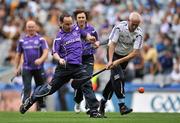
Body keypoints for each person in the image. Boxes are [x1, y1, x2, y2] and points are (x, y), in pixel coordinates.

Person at [19, 13, 103, 118]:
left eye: (71, 24)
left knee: (86, 83)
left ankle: (94, 110)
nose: (69, 26)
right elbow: (54, 53)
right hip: (64, 68)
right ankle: (31, 99)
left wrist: (91, 39)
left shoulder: (76, 29)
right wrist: (60, 59)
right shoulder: (59, 37)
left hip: (78, 67)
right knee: (49, 90)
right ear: (61, 23)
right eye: (67, 24)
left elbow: (86, 35)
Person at [99, 12, 143, 116]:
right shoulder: (119, 28)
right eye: (133, 24)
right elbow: (112, 44)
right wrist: (110, 61)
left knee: (113, 81)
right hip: (113, 53)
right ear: (129, 21)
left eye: (137, 24)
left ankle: (102, 103)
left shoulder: (139, 34)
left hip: (124, 58)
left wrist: (118, 61)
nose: (134, 27)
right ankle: (122, 106)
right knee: (120, 77)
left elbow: (135, 53)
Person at [14, 20, 49, 111]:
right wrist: (17, 68)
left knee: (40, 88)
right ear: (26, 28)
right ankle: (24, 106)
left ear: (36, 27)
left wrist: (41, 59)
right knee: (27, 87)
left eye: (32, 27)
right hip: (26, 68)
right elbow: (18, 55)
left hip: (39, 68)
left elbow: (46, 52)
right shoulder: (22, 40)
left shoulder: (41, 39)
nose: (31, 28)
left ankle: (41, 107)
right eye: (29, 27)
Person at [72, 9, 100, 113]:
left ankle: (91, 108)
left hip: (88, 58)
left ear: (86, 18)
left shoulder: (92, 29)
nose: (81, 19)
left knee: (86, 79)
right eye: (79, 17)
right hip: (76, 59)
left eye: (83, 17)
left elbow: (96, 41)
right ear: (76, 19)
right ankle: (78, 101)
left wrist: (96, 44)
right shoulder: (72, 30)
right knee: (80, 82)